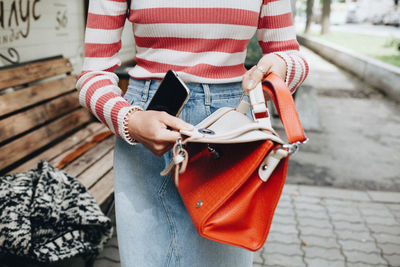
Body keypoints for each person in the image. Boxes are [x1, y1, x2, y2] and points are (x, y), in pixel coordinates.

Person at [76, 0, 309, 266]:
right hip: (144, 126)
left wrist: (280, 66)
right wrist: (129, 120)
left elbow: (293, 58)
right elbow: (92, 75)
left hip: (230, 135)